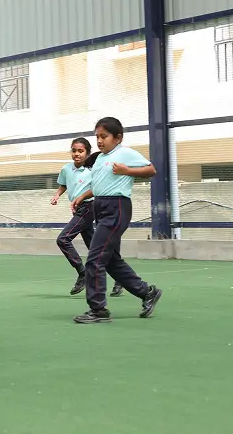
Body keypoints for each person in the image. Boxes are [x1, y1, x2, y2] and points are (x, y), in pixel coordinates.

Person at [69, 117, 163, 324]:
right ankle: (147, 292)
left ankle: (98, 310)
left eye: (104, 136)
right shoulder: (101, 158)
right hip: (101, 207)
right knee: (110, 260)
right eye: (97, 137)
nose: (100, 141)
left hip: (117, 208)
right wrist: (82, 196)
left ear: (118, 137)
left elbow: (151, 170)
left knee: (95, 259)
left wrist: (127, 171)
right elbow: (101, 185)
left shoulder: (125, 153)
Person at [51, 138, 122, 297]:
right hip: (78, 209)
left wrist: (82, 197)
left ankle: (82, 273)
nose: (77, 154)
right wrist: (56, 195)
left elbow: (97, 187)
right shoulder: (66, 169)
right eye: (74, 150)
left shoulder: (93, 169)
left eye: (81, 151)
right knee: (95, 249)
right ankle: (120, 278)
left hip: (89, 208)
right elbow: (64, 184)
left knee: (63, 239)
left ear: (87, 153)